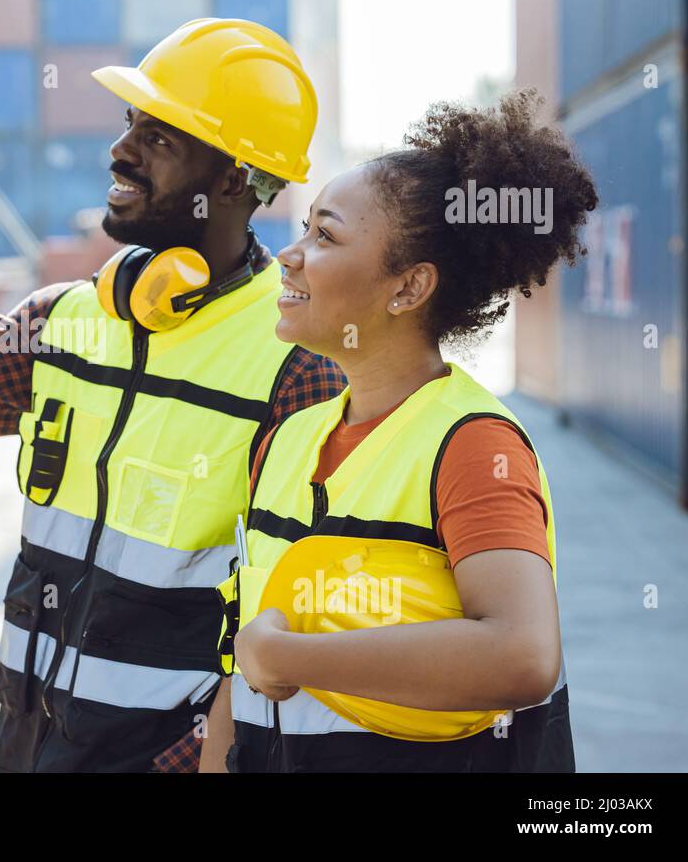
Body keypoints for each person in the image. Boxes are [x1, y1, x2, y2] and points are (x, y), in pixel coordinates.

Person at [0, 18, 345, 772]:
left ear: (232, 180)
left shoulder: (297, 365)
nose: (120, 151)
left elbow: (312, 620)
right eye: (131, 123)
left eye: (159, 138)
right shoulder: (64, 322)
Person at [200, 90, 595, 772]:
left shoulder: (472, 445)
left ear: (408, 288)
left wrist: (289, 657)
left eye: (326, 235)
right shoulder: (288, 440)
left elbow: (522, 655)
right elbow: (248, 666)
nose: (289, 256)